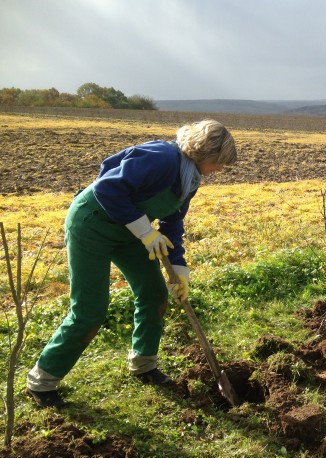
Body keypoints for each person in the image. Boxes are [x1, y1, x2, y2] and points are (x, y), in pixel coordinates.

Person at [25, 119, 237, 408]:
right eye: (218, 162)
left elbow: (173, 222)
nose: (220, 170)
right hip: (91, 224)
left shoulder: (191, 179)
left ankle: (144, 364)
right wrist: (146, 232)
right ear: (202, 151)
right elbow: (107, 189)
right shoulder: (162, 158)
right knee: (90, 310)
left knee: (153, 293)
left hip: (129, 232)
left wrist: (179, 271)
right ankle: (42, 381)